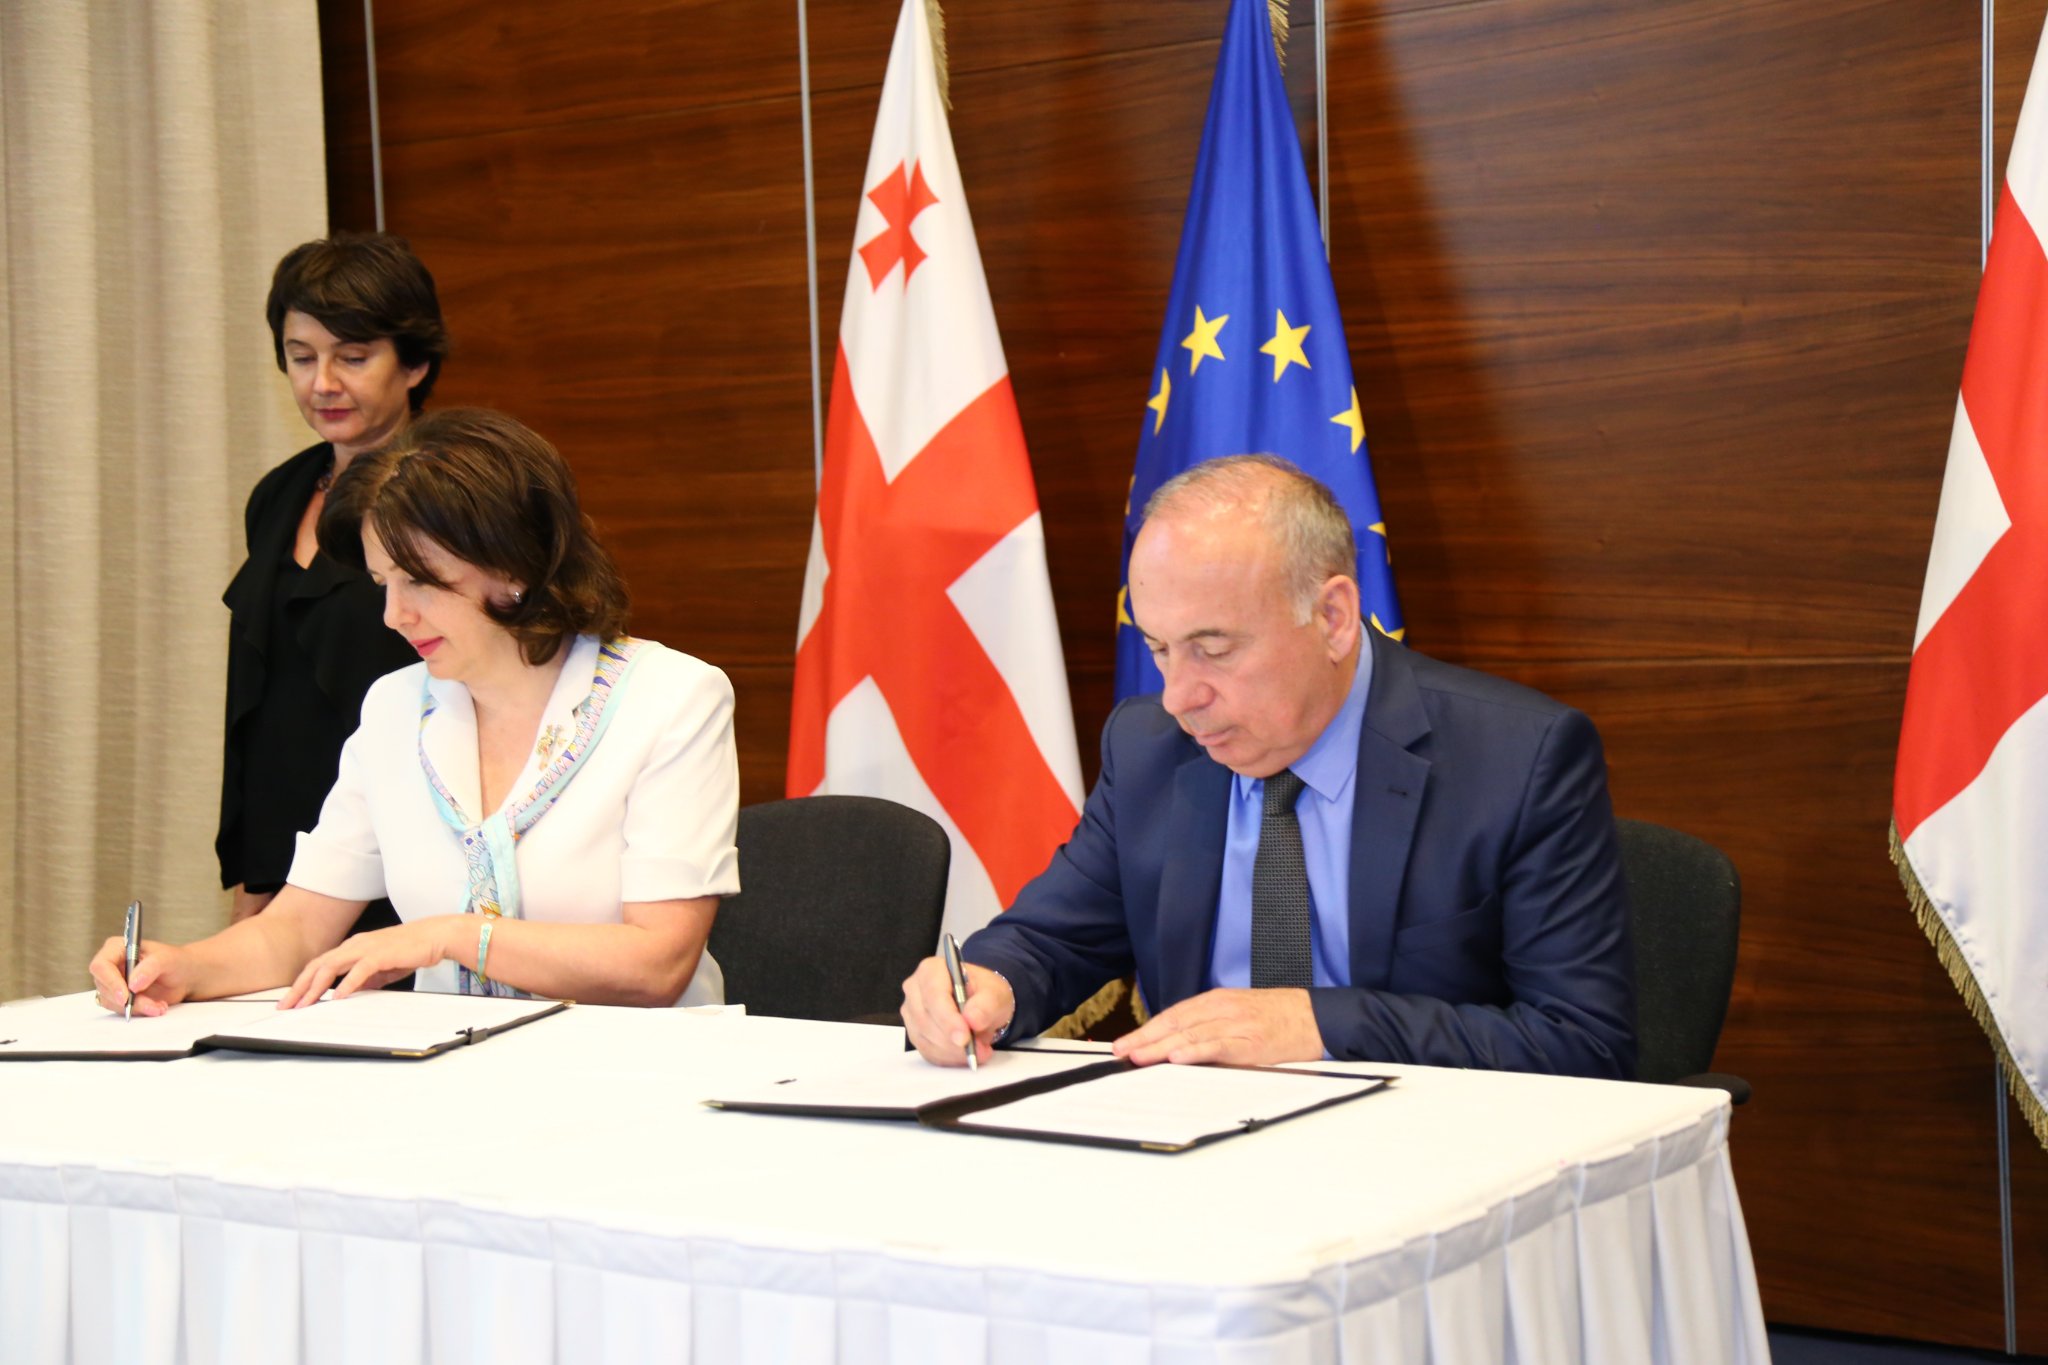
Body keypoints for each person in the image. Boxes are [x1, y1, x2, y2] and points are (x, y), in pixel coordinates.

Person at [901, 455, 1635, 1077]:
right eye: (1160, 649)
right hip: (1196, 1149)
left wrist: (1318, 1022)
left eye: (1214, 649)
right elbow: (1052, 937)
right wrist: (986, 986)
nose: (1179, 697)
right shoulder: (1149, 746)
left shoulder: (1517, 758)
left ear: (1332, 618)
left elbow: (1584, 1042)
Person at [93, 409, 738, 1012]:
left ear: (515, 563)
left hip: (639, 1074)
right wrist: (182, 968)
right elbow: (296, 929)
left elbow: (658, 962)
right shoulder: (395, 708)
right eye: (383, 584)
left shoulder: (673, 698)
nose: (393, 616)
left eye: (420, 581)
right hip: (452, 1073)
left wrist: (449, 936)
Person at [218, 234, 449, 961]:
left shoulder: (451, 497)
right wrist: (253, 877)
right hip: (288, 864)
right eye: (301, 356)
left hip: (407, 850)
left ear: (414, 363)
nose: (322, 383)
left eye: (352, 357)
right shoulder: (279, 494)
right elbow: (258, 702)